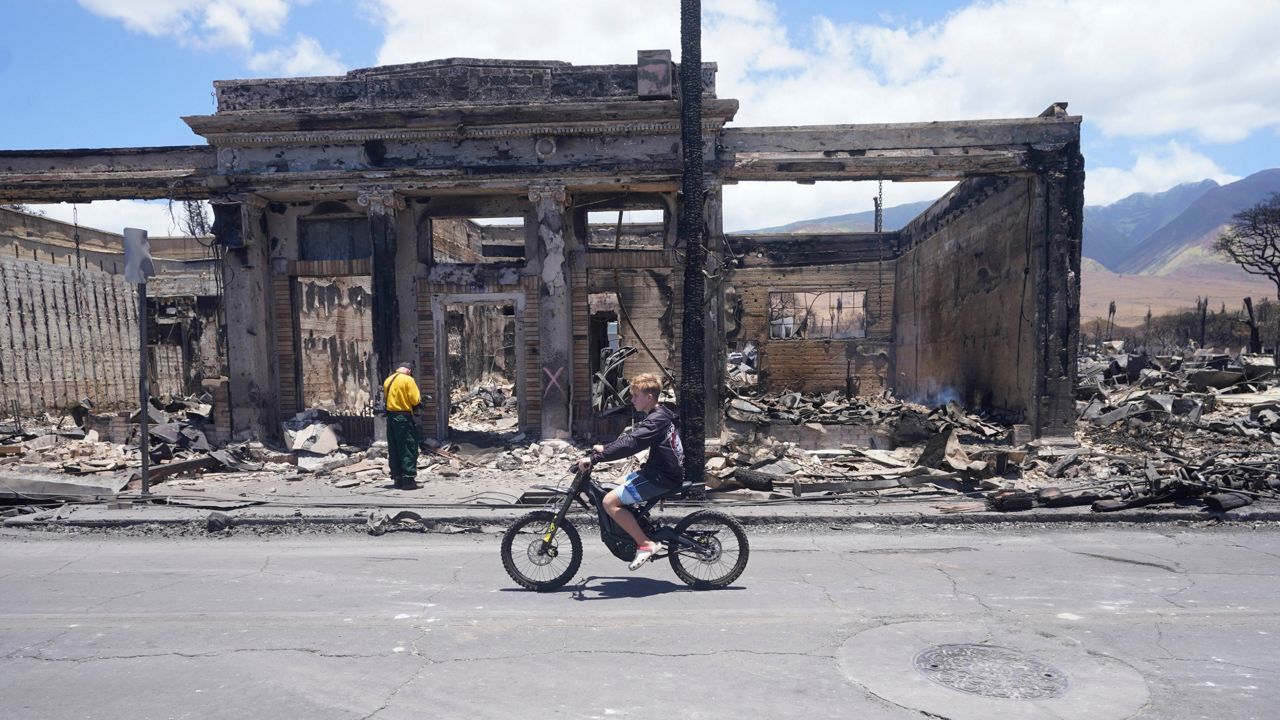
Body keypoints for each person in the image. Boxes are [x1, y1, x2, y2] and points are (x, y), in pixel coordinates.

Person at [576, 372, 684, 570]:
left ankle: (645, 543)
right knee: (614, 486)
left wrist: (595, 458)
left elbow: (633, 443)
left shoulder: (657, 419)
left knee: (609, 502)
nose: (632, 399)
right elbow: (632, 439)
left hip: (661, 477)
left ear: (649, 397)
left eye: (635, 396)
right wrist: (605, 449)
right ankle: (637, 526)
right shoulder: (660, 414)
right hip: (660, 471)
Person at [382, 361, 422, 490]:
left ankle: (397, 478)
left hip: (391, 417)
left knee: (394, 448)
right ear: (409, 370)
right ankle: (408, 480)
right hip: (403, 418)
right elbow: (415, 400)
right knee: (407, 447)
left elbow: (386, 399)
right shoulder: (408, 380)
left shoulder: (388, 380)